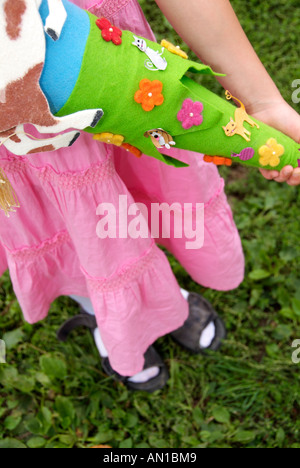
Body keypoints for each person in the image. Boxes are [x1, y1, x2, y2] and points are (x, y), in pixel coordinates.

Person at [0, 0, 299, 392]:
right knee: (73, 225)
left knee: (141, 201)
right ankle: (102, 312)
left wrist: (263, 101)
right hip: (17, 123)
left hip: (116, 65)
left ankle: (162, 297)